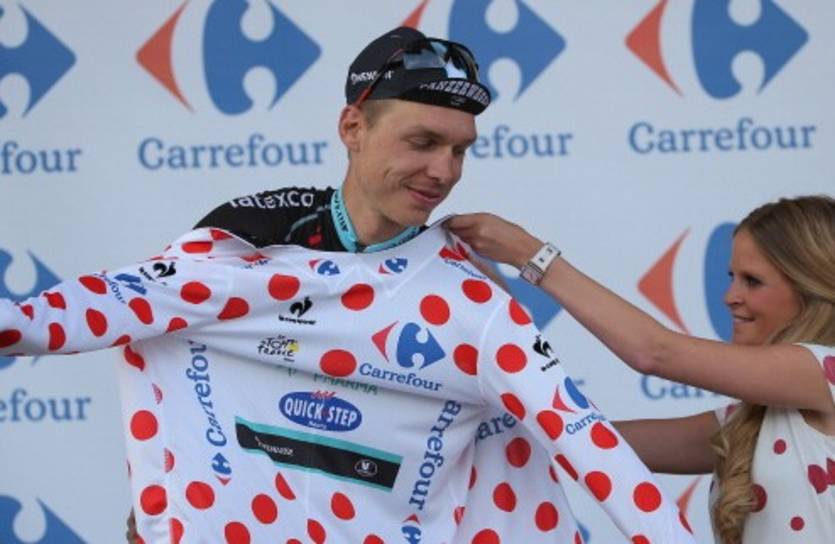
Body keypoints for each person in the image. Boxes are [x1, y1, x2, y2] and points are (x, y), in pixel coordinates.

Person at [2, 27, 695, 543]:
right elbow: (96, 307)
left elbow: (589, 446)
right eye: (423, 142)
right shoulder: (248, 241)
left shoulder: (471, 301)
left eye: (460, 150)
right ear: (352, 127)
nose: (444, 172)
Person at [447, 194, 835, 543]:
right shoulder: (746, 422)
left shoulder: (824, 372)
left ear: (812, 286)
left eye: (753, 281)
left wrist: (531, 255)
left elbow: (655, 352)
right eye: (732, 277)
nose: (730, 296)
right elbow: (590, 443)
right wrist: (497, 304)